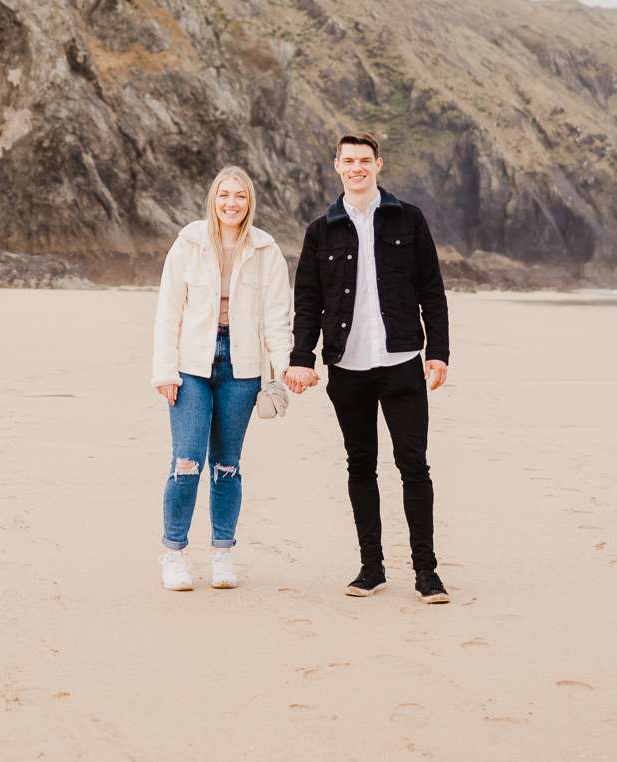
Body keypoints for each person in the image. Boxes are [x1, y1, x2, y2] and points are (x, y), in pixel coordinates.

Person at [284, 131, 452, 604]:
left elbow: (431, 291)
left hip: (401, 362)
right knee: (360, 465)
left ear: (379, 165)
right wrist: (302, 358)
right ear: (337, 166)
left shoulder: (409, 220)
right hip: (348, 366)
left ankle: (427, 573)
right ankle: (371, 568)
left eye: (365, 160)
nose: (357, 168)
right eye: (348, 161)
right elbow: (309, 300)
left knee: (413, 467)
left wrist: (438, 352)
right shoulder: (321, 230)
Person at [151, 165, 294, 591]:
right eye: (224, 195)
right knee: (187, 461)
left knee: (227, 465)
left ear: (250, 203)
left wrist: (284, 370)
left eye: (241, 196)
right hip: (191, 366)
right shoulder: (189, 243)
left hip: (242, 367)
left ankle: (221, 555)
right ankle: (173, 555)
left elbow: (276, 318)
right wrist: (164, 369)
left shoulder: (266, 250)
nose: (232, 203)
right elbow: (168, 310)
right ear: (213, 199)